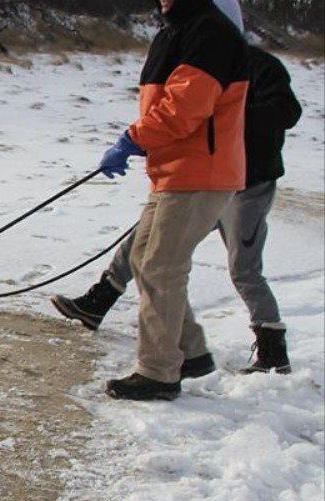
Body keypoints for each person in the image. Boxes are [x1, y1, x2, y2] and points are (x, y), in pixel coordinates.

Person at [52, 41, 302, 377]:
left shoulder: (259, 65)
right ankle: (97, 303)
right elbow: (176, 115)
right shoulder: (193, 64)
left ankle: (272, 351)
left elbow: (286, 111)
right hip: (197, 178)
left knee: (244, 269)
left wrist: (223, 121)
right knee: (145, 239)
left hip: (247, 185)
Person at [83, 0, 250, 401]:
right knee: (143, 259)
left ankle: (158, 372)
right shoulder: (177, 29)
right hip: (175, 170)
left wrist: (134, 138)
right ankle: (188, 352)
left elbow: (185, 108)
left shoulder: (208, 31)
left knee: (162, 267)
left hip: (200, 174)